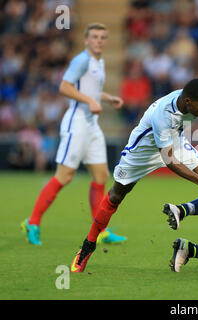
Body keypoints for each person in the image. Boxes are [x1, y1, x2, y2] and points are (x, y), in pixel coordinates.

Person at [70, 78, 198, 273]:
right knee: (115, 196)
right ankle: (87, 247)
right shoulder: (163, 116)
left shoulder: (194, 98)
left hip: (175, 144)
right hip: (142, 153)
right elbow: (169, 161)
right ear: (188, 101)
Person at [21, 23, 127, 245]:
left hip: (92, 124)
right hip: (76, 122)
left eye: (103, 37)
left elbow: (92, 90)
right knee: (65, 176)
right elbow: (64, 87)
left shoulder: (99, 62)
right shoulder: (81, 60)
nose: (99, 40)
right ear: (86, 40)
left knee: (101, 176)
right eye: (95, 37)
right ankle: (33, 222)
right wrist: (89, 101)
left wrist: (107, 98)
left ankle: (100, 230)